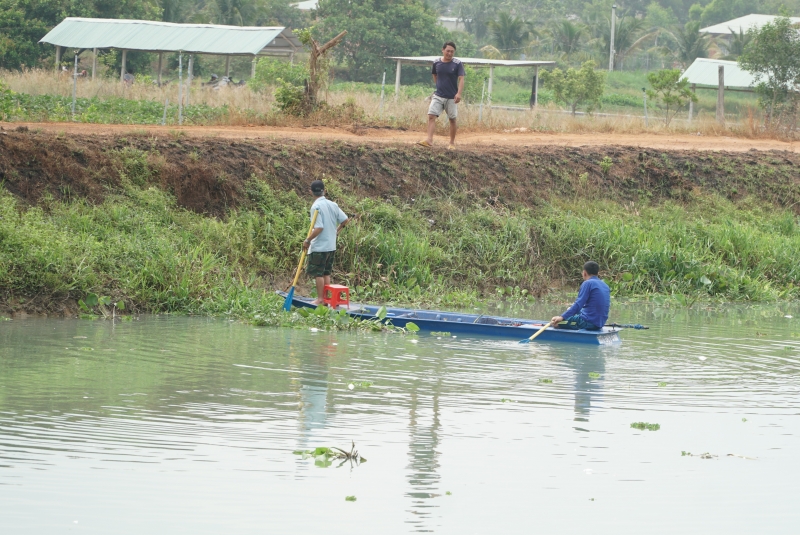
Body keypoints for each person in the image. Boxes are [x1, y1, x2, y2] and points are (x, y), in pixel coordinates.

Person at [303, 180, 349, 305]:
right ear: (325, 190)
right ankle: (328, 298)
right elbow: (345, 220)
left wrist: (307, 240)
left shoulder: (315, 207)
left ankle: (320, 299)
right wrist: (336, 231)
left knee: (318, 274)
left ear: (310, 192)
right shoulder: (333, 204)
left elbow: (319, 228)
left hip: (319, 246)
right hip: (331, 246)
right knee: (326, 273)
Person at [418, 41, 465, 149]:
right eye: (448, 51)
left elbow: (461, 78)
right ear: (443, 50)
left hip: (452, 97)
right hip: (438, 95)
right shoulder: (436, 63)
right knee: (431, 116)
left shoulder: (457, 63)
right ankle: (429, 140)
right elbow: (434, 75)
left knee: (452, 119)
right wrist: (439, 85)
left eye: (452, 52)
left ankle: (452, 143)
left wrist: (459, 93)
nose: (449, 53)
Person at [551, 261, 610, 331]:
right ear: (597, 273)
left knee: (556, 323)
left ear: (584, 273)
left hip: (588, 322)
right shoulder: (605, 285)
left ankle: (561, 324)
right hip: (600, 323)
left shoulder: (587, 283)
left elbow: (578, 304)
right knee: (570, 310)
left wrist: (562, 317)